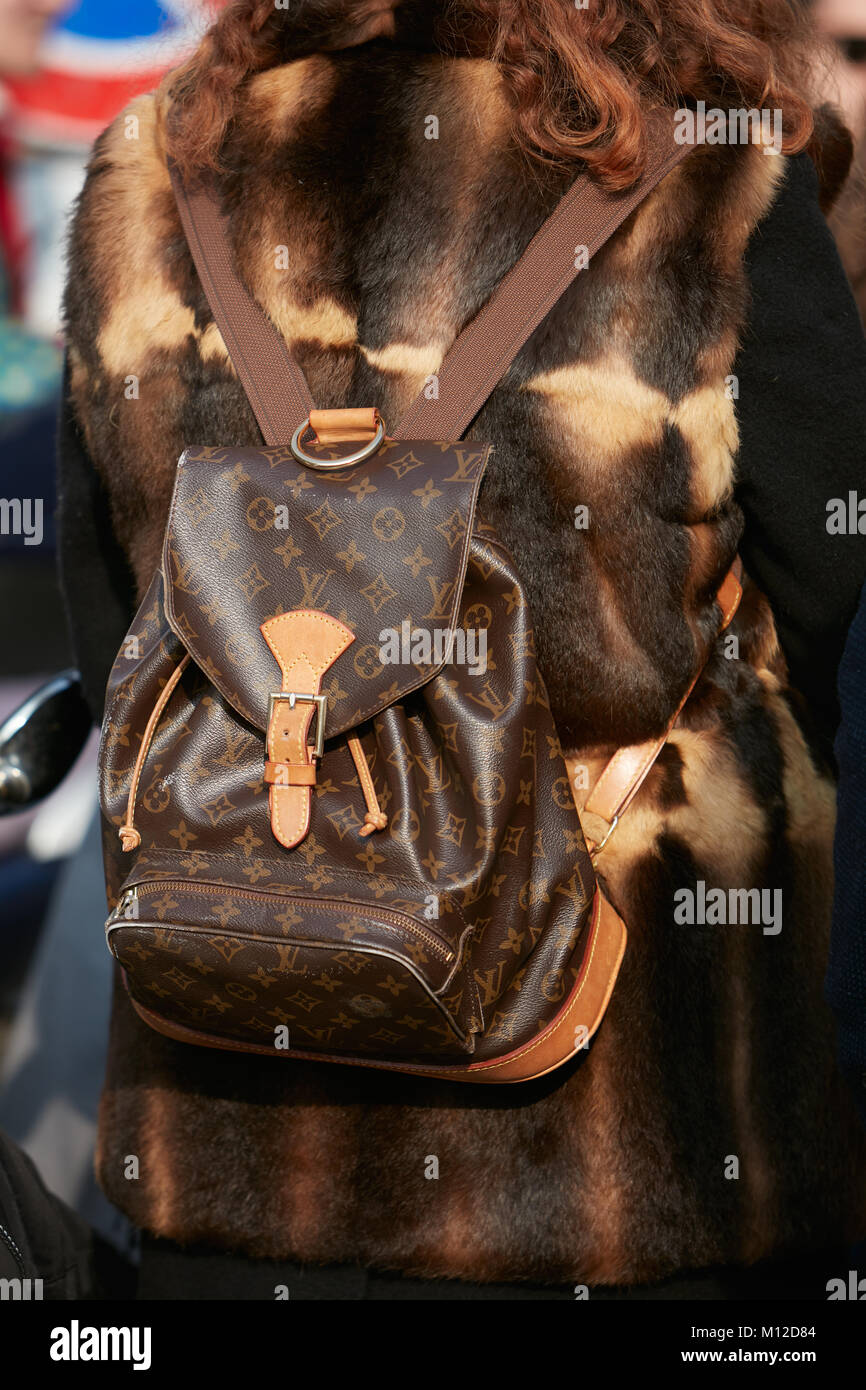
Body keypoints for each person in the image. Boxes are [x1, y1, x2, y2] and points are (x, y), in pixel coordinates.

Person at [58, 0, 866, 1300]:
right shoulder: (708, 176)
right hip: (619, 1131)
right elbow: (831, 590)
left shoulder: (155, 167)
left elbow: (114, 617)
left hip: (234, 1102)